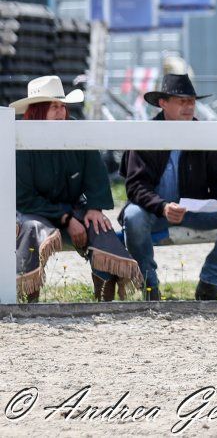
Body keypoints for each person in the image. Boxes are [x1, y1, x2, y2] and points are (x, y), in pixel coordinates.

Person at [120, 74, 217, 301]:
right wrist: (162, 207)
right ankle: (149, 285)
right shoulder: (145, 135)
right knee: (133, 216)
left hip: (194, 210)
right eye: (182, 101)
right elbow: (135, 186)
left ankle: (210, 282)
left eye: (191, 101)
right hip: (155, 212)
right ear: (163, 103)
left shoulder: (206, 135)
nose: (189, 106)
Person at [12, 76, 142, 302]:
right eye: (54, 107)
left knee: (99, 225)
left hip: (72, 206)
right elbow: (23, 199)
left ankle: (105, 299)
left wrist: (94, 207)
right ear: (37, 110)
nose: (61, 112)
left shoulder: (77, 134)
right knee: (31, 228)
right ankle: (27, 300)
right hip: (32, 212)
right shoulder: (20, 142)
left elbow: (96, 176)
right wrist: (66, 219)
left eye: (63, 106)